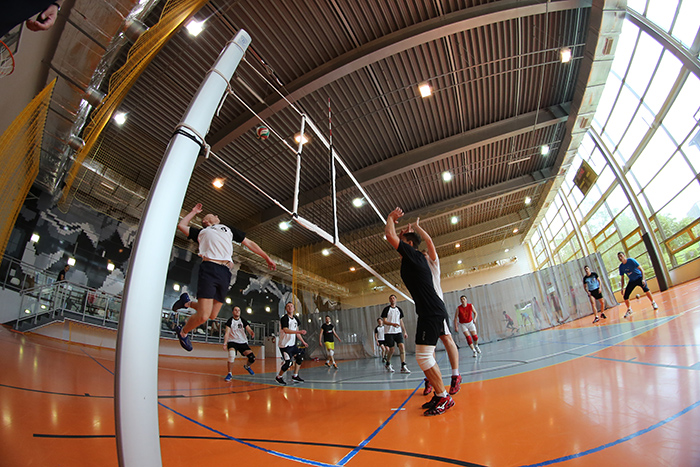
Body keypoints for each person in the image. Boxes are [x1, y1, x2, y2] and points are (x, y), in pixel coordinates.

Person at [171, 203, 276, 351]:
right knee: (203, 316)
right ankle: (183, 332)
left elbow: (249, 243)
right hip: (209, 269)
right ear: (205, 221)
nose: (216, 215)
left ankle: (186, 303)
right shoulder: (201, 232)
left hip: (225, 273)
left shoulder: (228, 229)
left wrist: (266, 257)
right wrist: (193, 212)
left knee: (212, 315)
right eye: (213, 215)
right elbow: (181, 225)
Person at [385, 207, 454, 416]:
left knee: (424, 356)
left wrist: (390, 218)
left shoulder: (414, 255)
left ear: (409, 244)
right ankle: (440, 395)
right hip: (428, 311)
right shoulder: (412, 258)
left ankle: (444, 396)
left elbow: (389, 236)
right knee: (424, 356)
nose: (399, 244)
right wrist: (405, 235)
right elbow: (398, 242)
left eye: (403, 241)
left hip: (432, 311)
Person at [410, 218, 461, 396]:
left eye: (425, 255)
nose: (423, 257)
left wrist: (417, 229)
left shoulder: (433, 265)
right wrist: (408, 240)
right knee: (427, 347)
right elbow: (408, 253)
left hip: (437, 309)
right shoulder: (418, 270)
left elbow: (429, 242)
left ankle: (455, 375)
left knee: (446, 339)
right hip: (426, 310)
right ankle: (431, 379)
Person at [275, 302, 308, 385]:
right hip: (284, 345)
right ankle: (279, 377)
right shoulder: (284, 318)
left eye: (291, 306)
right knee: (288, 363)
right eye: (288, 306)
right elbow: (286, 330)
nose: (290, 308)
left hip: (292, 345)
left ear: (294, 308)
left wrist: (303, 341)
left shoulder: (295, 319)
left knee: (299, 358)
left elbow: (297, 332)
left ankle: (295, 376)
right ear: (286, 309)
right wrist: (298, 332)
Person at [617, 252, 658, 318]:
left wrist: (643, 279)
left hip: (639, 278)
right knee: (625, 296)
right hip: (632, 281)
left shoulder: (631, 261)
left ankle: (653, 302)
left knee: (646, 289)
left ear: (624, 255)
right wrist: (622, 288)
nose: (620, 258)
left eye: (621, 256)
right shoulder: (621, 267)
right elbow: (622, 278)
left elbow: (641, 269)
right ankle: (629, 309)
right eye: (619, 257)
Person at [223, 306, 256, 381]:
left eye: (238, 310)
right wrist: (225, 343)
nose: (237, 311)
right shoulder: (230, 321)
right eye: (235, 310)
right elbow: (227, 333)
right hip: (232, 341)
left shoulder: (242, 320)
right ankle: (229, 373)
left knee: (252, 358)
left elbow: (248, 328)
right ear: (232, 312)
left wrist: (251, 332)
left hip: (242, 342)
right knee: (231, 355)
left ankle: (247, 366)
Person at [380, 294, 410, 374]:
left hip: (398, 332)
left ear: (396, 299)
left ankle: (403, 365)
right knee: (392, 349)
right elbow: (384, 321)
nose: (392, 299)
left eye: (393, 298)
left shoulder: (399, 309)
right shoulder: (386, 309)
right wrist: (392, 324)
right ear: (389, 300)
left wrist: (404, 331)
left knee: (402, 346)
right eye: (391, 298)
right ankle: (388, 363)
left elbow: (401, 321)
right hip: (389, 332)